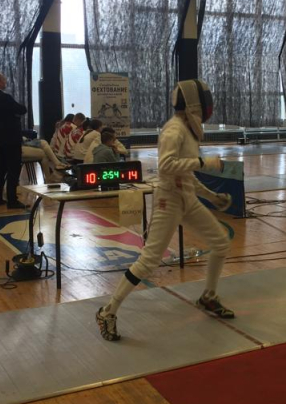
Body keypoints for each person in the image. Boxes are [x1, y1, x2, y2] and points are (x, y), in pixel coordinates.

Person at [95, 79, 234, 342]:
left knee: (221, 242)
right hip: (168, 201)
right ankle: (107, 311)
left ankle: (209, 296)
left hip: (187, 199)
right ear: (195, 103)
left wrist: (212, 197)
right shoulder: (174, 130)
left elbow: (186, 174)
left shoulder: (188, 129)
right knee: (149, 260)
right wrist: (205, 162)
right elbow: (167, 165)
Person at [0, 71, 27, 209]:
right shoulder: (5, 97)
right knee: (13, 168)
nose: (5, 81)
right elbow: (21, 109)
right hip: (11, 138)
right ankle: (12, 199)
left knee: (0, 168)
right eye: (3, 79)